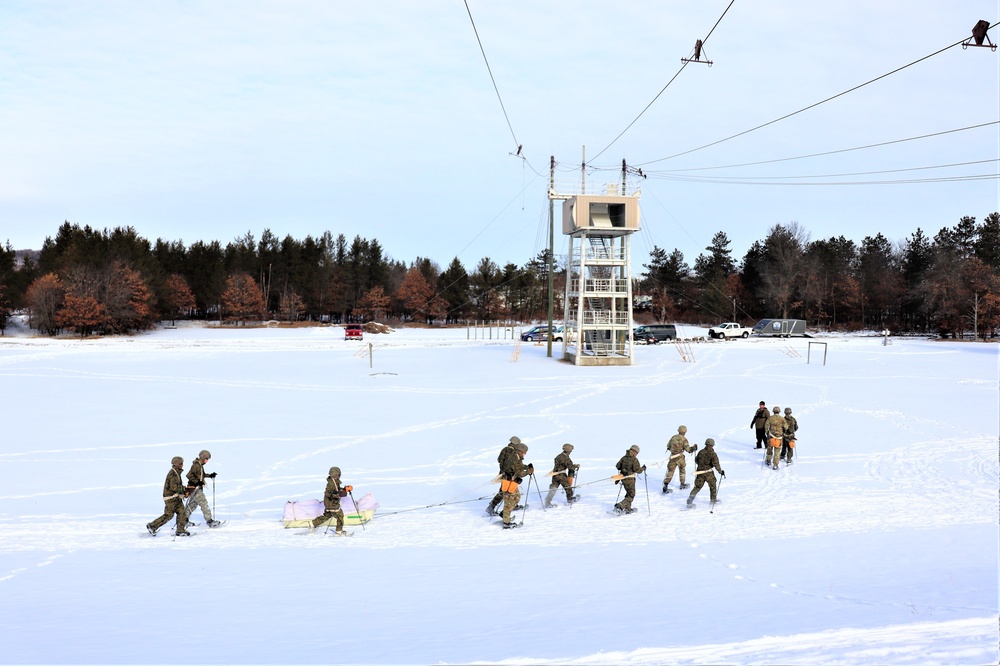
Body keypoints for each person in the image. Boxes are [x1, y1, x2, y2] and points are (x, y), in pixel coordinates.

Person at [147, 456, 191, 536]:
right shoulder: (173, 474)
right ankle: (152, 526)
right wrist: (185, 490)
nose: (182, 465)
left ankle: (180, 530)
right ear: (177, 464)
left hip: (176, 497)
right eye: (181, 463)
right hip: (171, 499)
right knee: (169, 515)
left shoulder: (176, 472)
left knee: (182, 512)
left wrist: (184, 491)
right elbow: (174, 487)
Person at [310, 466, 352, 536]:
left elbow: (336, 490)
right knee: (340, 516)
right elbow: (332, 494)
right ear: (336, 475)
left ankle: (313, 523)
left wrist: (344, 489)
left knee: (327, 515)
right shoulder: (332, 484)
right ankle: (339, 531)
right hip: (331, 503)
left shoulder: (333, 481)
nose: (339, 476)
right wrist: (341, 494)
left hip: (328, 503)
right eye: (339, 474)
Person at [184, 450, 221, 528]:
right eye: (207, 459)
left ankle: (184, 520)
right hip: (195, 488)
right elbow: (189, 476)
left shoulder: (199, 465)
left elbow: (201, 475)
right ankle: (209, 521)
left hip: (195, 488)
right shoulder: (196, 465)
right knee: (204, 503)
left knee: (193, 504)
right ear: (203, 457)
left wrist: (210, 475)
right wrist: (197, 482)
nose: (207, 461)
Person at [500, 442, 533, 529]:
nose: (524, 454)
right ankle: (506, 523)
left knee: (517, 497)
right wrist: (528, 472)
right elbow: (520, 473)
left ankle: (504, 515)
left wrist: (527, 467)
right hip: (508, 482)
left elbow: (520, 466)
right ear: (519, 451)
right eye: (524, 452)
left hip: (512, 482)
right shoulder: (514, 458)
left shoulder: (516, 457)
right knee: (509, 501)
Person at [487, 436, 521, 515]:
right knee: (505, 491)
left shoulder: (505, 449)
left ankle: (512, 505)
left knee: (509, 490)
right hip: (509, 474)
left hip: (504, 473)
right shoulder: (511, 451)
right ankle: (492, 506)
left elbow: (499, 460)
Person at [686, 439, 725, 506]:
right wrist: (720, 471)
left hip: (699, 472)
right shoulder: (713, 454)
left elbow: (696, 460)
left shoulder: (701, 452)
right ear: (712, 445)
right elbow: (716, 464)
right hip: (708, 473)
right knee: (712, 485)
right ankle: (713, 500)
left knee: (697, 487)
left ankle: (690, 499)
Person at [662, 425, 697, 493]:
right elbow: (688, 450)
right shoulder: (684, 439)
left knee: (670, 471)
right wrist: (693, 448)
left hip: (672, 457)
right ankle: (682, 484)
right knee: (682, 470)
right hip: (680, 457)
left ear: (678, 430)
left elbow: (668, 446)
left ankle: (665, 485)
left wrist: (674, 451)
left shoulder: (673, 437)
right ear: (685, 432)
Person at [544, 443, 580, 508]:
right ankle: (570, 499)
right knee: (568, 487)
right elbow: (570, 467)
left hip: (555, 475)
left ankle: (547, 502)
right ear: (569, 451)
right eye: (570, 451)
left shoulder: (558, 456)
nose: (571, 452)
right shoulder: (566, 458)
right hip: (561, 475)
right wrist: (576, 466)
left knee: (553, 489)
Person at [613, 445, 645, 514]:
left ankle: (628, 509)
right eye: (637, 453)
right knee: (631, 495)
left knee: (628, 493)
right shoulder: (634, 459)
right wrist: (643, 468)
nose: (637, 454)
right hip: (630, 480)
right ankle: (620, 505)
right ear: (634, 451)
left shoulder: (623, 458)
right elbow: (637, 470)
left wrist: (624, 468)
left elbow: (617, 466)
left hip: (623, 479)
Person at [764, 406, 787, 470]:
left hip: (771, 437)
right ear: (779, 411)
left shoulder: (770, 418)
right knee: (777, 452)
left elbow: (766, 426)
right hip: (779, 438)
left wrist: (767, 433)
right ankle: (775, 465)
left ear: (773, 411)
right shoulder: (782, 419)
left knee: (769, 449)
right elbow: (786, 427)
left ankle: (768, 461)